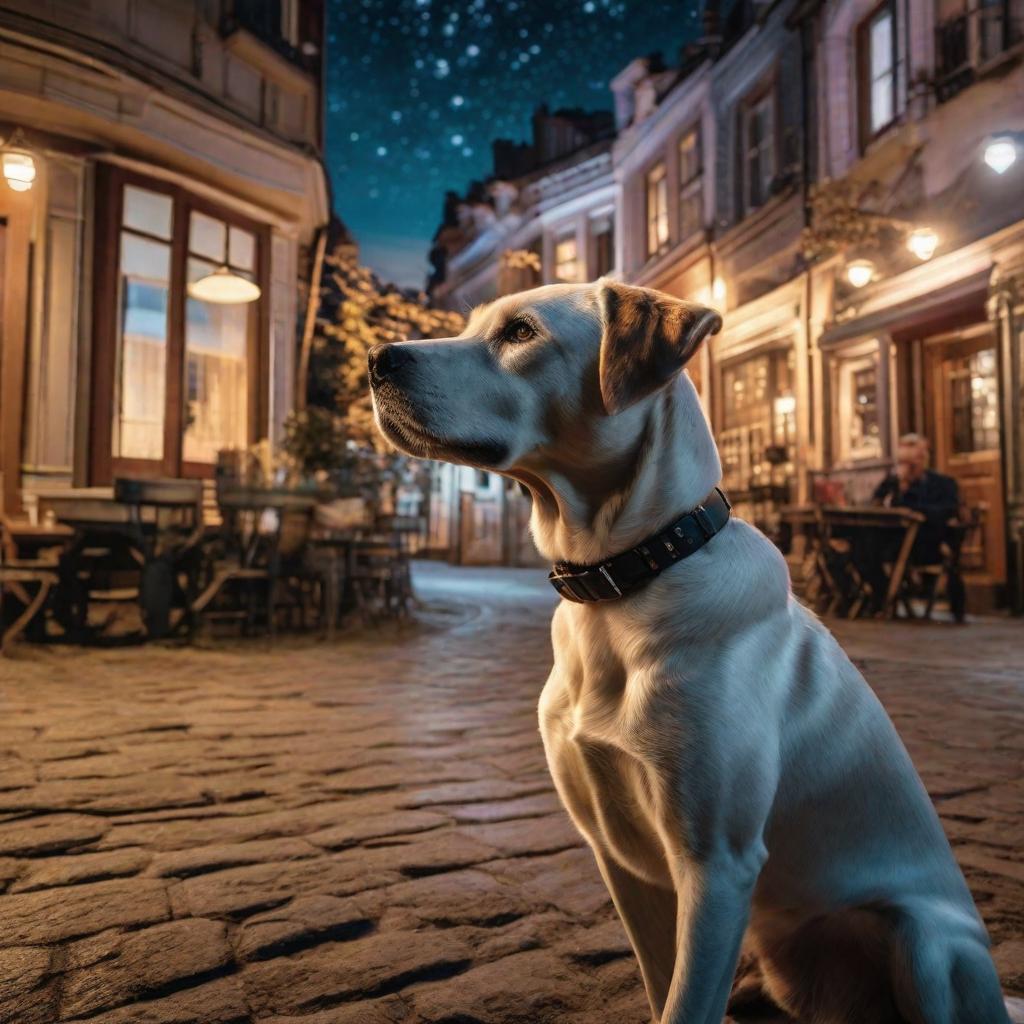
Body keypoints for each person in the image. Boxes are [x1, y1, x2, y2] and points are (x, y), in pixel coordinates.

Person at [872, 434, 965, 620]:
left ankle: (887, 599)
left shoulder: (942, 484)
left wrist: (910, 503)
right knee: (861, 548)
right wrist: (899, 487)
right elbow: (876, 503)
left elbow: (946, 511)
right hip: (893, 543)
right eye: (902, 462)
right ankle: (880, 599)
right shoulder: (892, 482)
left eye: (911, 463)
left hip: (927, 545)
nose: (906, 468)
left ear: (923, 460)